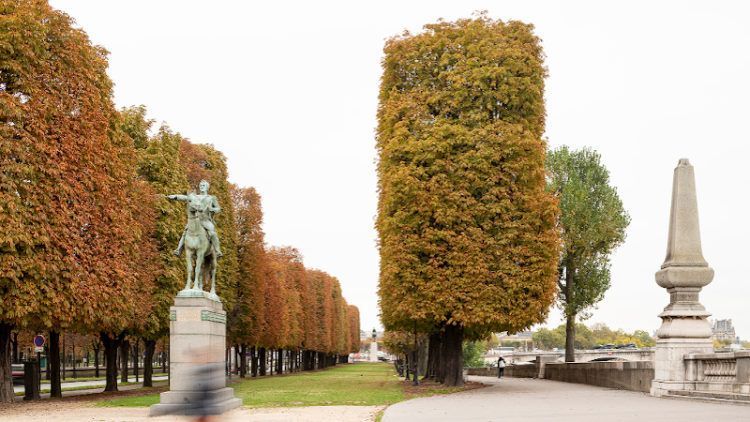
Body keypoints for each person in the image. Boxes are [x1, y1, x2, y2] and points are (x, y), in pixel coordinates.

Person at [169, 179, 223, 258]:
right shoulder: (195, 197)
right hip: (195, 219)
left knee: (212, 233)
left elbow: (218, 208)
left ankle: (218, 251)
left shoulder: (211, 198)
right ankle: (178, 249)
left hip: (206, 220)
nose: (201, 187)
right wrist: (175, 196)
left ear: (207, 187)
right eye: (200, 185)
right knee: (185, 232)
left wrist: (212, 209)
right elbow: (185, 197)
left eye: (203, 185)